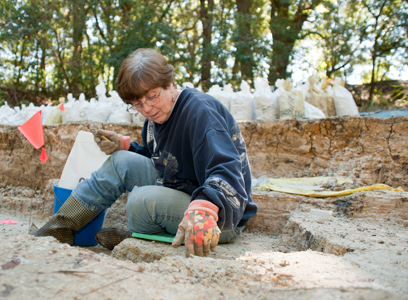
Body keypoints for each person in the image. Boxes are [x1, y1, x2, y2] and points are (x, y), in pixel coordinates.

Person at [34, 48, 257, 257]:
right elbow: (160, 161)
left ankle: (142, 239)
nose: (147, 109)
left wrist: (205, 208)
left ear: (170, 83)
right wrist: (126, 147)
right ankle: (60, 226)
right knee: (119, 161)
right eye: (137, 104)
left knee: (141, 201)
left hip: (218, 215)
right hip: (183, 189)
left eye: (152, 97)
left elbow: (226, 166)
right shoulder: (154, 120)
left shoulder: (200, 111)